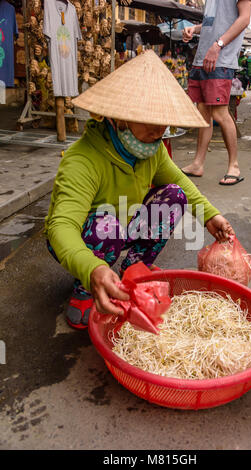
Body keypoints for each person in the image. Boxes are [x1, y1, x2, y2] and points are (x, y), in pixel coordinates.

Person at [44, 51, 235, 330]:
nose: (160, 131)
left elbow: (182, 184)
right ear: (119, 117)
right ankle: (87, 289)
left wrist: (209, 215)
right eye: (150, 121)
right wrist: (91, 269)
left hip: (123, 223)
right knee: (106, 226)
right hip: (86, 234)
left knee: (173, 197)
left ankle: (132, 272)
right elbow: (61, 226)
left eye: (164, 122)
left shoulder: (152, 151)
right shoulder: (83, 159)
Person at [181, 0, 251, 185]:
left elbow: (244, 19)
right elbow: (214, 23)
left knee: (220, 113)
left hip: (220, 58)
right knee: (203, 112)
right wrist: (195, 29)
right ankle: (198, 163)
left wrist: (218, 45)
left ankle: (234, 166)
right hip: (202, 57)